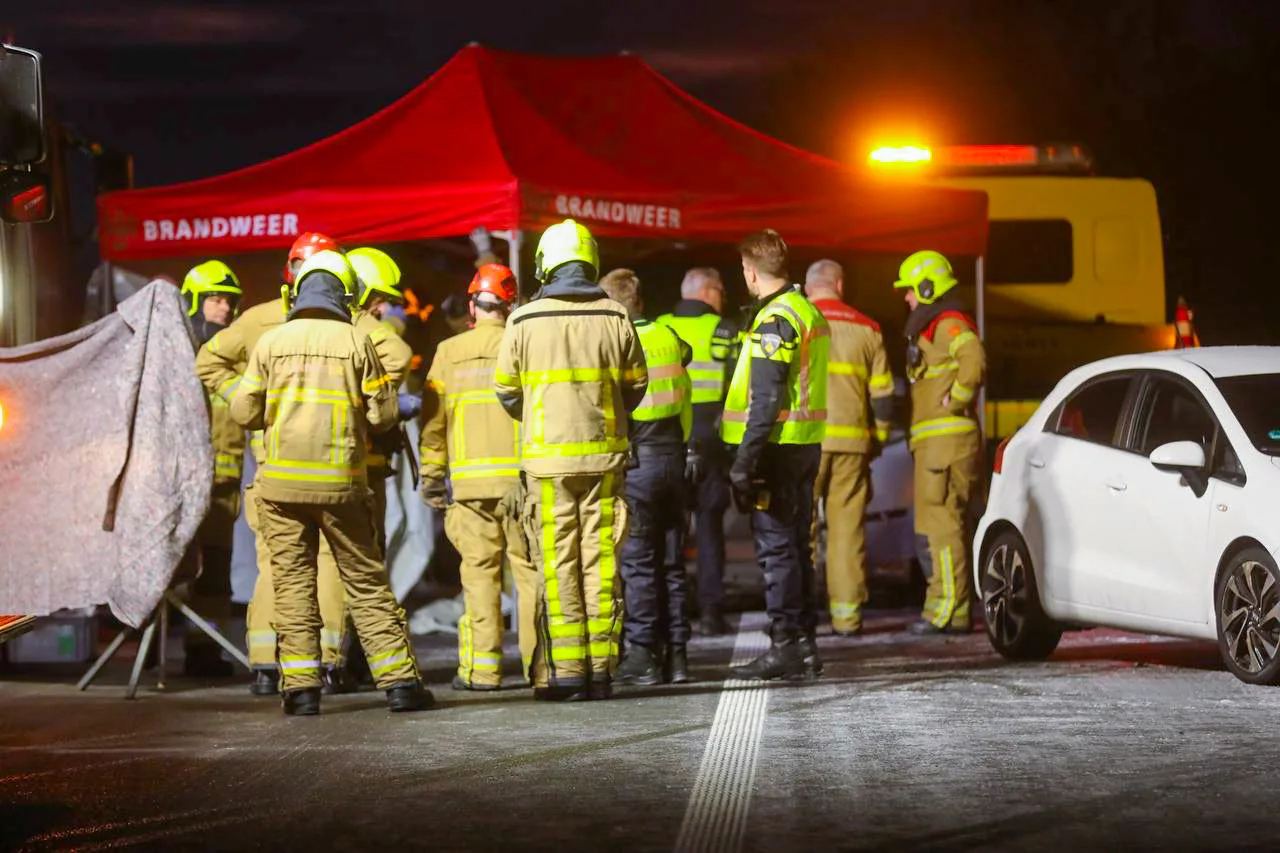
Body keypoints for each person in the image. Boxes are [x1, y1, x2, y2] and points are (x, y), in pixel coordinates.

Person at [229, 249, 432, 715]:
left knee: (293, 584)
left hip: (279, 489)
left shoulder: (271, 342)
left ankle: (300, 690)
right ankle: (400, 684)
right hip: (341, 484)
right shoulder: (357, 341)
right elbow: (381, 416)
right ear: (346, 293)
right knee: (365, 582)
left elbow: (243, 412)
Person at [494, 219, 648, 701]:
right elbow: (636, 385)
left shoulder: (522, 319)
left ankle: (567, 673)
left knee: (557, 562)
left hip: (546, 464)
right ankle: (601, 670)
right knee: (600, 562)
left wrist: (542, 416)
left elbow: (506, 391)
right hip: (604, 459)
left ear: (546, 264)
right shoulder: (615, 316)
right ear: (590, 261)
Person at [196, 231, 351, 695]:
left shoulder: (258, 321)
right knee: (326, 561)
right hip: (332, 461)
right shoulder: (344, 324)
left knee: (274, 563)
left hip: (274, 465)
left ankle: (265, 663)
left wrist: (251, 407)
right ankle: (324, 661)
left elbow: (209, 362)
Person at [419, 263, 541, 691]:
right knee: (528, 576)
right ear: (511, 305)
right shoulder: (524, 344)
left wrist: (432, 476)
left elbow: (434, 425)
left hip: (470, 487)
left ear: (473, 304)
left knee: (478, 575)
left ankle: (482, 671)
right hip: (520, 485)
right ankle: (538, 667)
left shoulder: (449, 352)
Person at [721, 229, 829, 681]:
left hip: (777, 449)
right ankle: (802, 644)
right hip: (803, 445)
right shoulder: (806, 310)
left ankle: (787, 644)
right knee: (796, 548)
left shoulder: (775, 320)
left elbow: (764, 402)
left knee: (778, 552)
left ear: (750, 271)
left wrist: (745, 463)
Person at [600, 269, 696, 686]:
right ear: (638, 299)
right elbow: (686, 359)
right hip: (675, 459)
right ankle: (677, 656)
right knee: (672, 564)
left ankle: (641, 655)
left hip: (637, 463)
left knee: (638, 565)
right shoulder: (670, 336)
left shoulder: (614, 342)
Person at [895, 249, 986, 634]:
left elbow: (974, 359)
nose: (906, 297)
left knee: (942, 527)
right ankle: (944, 606)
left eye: (911, 289)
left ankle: (948, 610)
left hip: (944, 445)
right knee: (940, 525)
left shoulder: (947, 323)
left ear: (929, 286)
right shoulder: (934, 325)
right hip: (939, 445)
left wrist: (958, 398)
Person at [804, 260, 893, 637]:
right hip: (853, 443)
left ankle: (800, 618)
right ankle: (847, 617)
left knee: (799, 532)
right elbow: (884, 396)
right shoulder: (867, 328)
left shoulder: (795, 321)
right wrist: (880, 439)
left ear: (809, 289)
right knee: (847, 532)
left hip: (804, 442)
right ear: (839, 284)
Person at [656, 267, 738, 636]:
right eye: (720, 289)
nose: (723, 297)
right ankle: (710, 611)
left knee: (669, 530)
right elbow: (743, 386)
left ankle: (670, 611)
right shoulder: (725, 331)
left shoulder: (659, 327)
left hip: (669, 437)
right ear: (707, 291)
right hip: (712, 440)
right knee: (709, 530)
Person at [181, 260, 244, 676]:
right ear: (194, 303)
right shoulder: (177, 357)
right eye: (215, 299)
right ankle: (151, 645)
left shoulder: (237, 361)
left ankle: (203, 651)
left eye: (229, 301)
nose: (223, 308)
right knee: (173, 568)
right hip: (182, 485)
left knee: (215, 574)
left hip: (224, 487)